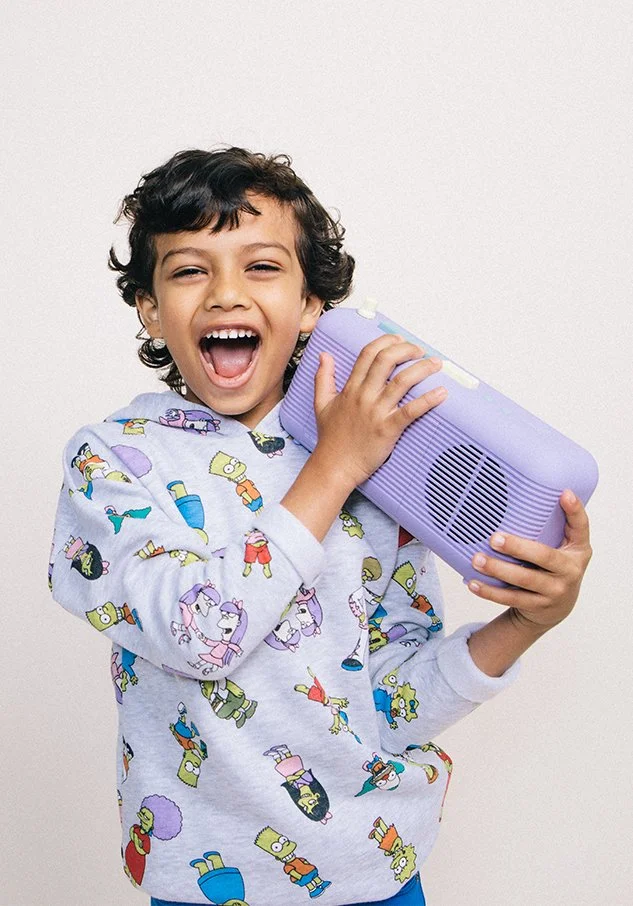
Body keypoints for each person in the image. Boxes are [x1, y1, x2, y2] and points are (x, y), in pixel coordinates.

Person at [49, 147, 593, 906]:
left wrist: (528, 622)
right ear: (150, 307)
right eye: (189, 270)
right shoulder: (114, 462)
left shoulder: (380, 462)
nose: (225, 293)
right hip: (203, 878)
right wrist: (334, 467)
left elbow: (393, 703)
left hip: (376, 871)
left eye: (261, 267)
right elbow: (198, 634)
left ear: (311, 305)